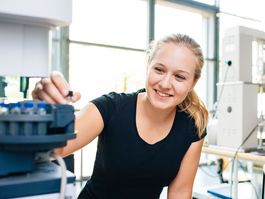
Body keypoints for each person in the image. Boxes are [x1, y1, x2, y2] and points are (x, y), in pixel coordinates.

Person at [32, 34, 208, 199]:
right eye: (159, 70)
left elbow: (180, 193)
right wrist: (45, 108)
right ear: (148, 67)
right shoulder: (111, 107)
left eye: (179, 77)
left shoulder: (192, 126)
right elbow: (56, 149)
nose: (165, 84)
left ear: (193, 82)